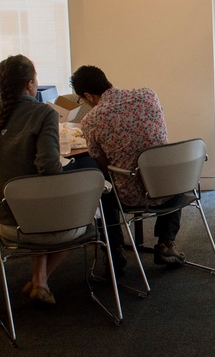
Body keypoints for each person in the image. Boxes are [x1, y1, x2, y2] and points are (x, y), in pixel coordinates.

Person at [0, 55, 72, 306]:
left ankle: (39, 281)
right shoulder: (43, 113)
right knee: (85, 213)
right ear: (30, 84)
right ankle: (40, 281)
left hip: (4, 216)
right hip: (38, 216)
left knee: (40, 205)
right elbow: (49, 169)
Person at [71, 64, 185, 267]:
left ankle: (113, 249)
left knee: (100, 183)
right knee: (168, 167)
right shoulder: (148, 95)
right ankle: (166, 242)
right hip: (171, 186)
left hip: (132, 195)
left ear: (88, 96)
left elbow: (103, 164)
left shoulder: (92, 120)